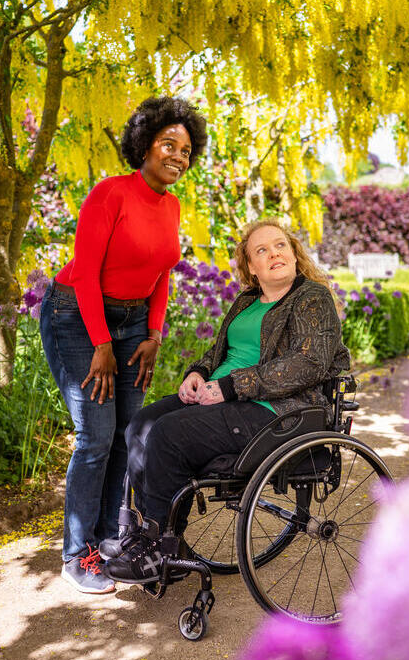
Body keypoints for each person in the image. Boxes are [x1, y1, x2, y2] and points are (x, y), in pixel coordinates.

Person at [101, 218, 350, 585]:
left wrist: (232, 386)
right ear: (251, 267)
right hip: (219, 397)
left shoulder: (311, 298)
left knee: (169, 434)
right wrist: (197, 373)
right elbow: (221, 352)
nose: (274, 254)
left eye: (280, 246)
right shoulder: (247, 301)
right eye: (261, 251)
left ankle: (158, 549)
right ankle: (157, 537)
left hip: (276, 411)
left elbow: (307, 365)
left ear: (295, 254)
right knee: (140, 426)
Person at [40, 96, 207, 594]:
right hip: (77, 316)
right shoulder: (110, 194)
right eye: (168, 144)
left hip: (134, 326)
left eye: (186, 148)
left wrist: (153, 334)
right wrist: (101, 343)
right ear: (145, 145)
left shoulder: (172, 205)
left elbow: (161, 276)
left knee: (124, 433)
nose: (178, 155)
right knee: (94, 436)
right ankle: (77, 554)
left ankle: (112, 540)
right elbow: (87, 273)